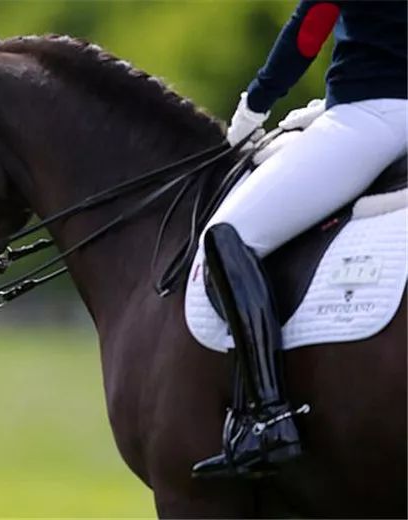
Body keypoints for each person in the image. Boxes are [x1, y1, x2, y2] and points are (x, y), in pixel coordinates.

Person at [192, 1, 407, 478]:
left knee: (228, 235)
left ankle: (267, 417)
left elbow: (311, 26)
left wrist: (255, 104)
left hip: (373, 113)